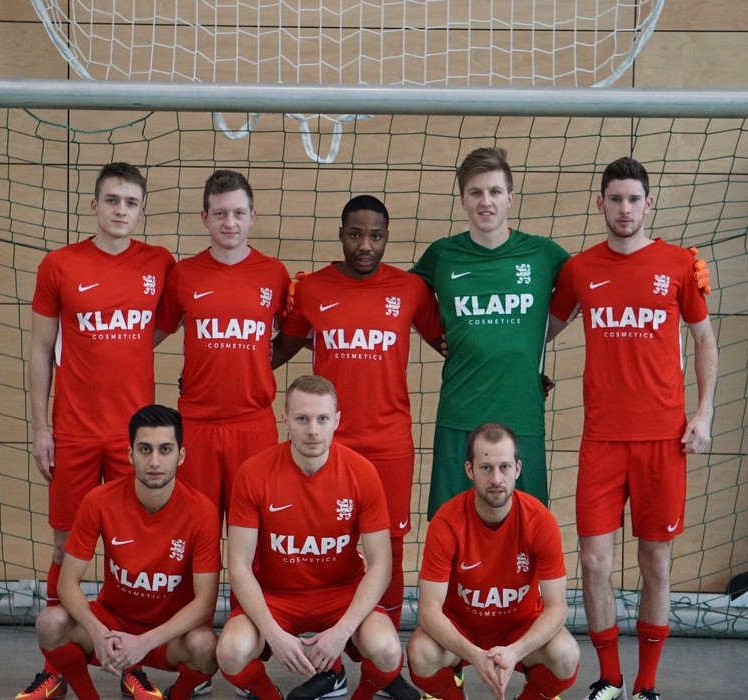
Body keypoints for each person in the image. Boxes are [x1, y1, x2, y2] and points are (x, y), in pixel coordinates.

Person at [548, 157, 718, 700]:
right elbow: (540, 331)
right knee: (593, 561)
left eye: (634, 199)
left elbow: (704, 339)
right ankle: (610, 679)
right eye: (615, 199)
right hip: (601, 440)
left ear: (649, 204)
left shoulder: (677, 263)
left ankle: (645, 685)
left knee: (656, 564)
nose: (625, 208)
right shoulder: (579, 269)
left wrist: (704, 411)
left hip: (663, 441)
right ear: (600, 204)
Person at [20, 162, 177, 700]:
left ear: (142, 210)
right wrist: (40, 428)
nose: (120, 210)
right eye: (112, 200)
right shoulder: (59, 265)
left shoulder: (159, 263)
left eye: (131, 202)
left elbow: (162, 325)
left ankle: (131, 663)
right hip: (75, 433)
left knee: (133, 555)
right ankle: (56, 666)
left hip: (136, 440)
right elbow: (41, 348)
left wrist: (125, 350)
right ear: (94, 205)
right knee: (66, 547)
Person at [271, 194, 444, 635]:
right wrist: (218, 367)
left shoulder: (411, 289)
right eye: (355, 235)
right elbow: (277, 351)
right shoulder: (312, 289)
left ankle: (382, 660)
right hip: (328, 444)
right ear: (341, 235)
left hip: (390, 444)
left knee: (390, 548)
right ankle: (330, 651)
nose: (365, 245)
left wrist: (525, 373)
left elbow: (453, 344)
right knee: (328, 545)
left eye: (376, 236)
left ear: (387, 238)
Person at [216, 375, 408, 700]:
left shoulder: (362, 473)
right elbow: (238, 566)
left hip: (341, 592)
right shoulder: (253, 472)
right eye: (302, 419)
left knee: (389, 651)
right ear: (285, 421)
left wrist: (342, 631)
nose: (313, 430)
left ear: (337, 421)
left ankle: (356, 692)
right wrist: (273, 634)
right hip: (276, 595)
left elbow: (381, 565)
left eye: (322, 419)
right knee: (230, 652)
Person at [411, 147, 569, 519]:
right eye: (476, 192)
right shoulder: (442, 255)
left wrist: (532, 343)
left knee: (527, 530)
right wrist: (438, 336)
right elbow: (403, 296)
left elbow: (592, 284)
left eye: (495, 192)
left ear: (510, 197)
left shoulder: (543, 254)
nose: (486, 201)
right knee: (451, 530)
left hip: (522, 416)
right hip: (459, 417)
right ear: (463, 200)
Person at [30, 404, 221, 700]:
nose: (154, 461)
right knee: (49, 623)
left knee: (206, 647)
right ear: (130, 454)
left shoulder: (202, 511)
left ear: (181, 456)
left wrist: (145, 642)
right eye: (145, 449)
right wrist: (97, 632)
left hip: (166, 635)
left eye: (165, 449)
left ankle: (178, 696)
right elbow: (67, 584)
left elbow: (205, 603)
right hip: (112, 624)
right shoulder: (99, 501)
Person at [407, 422, 579, 700]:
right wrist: (473, 654)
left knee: (566, 653)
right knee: (420, 652)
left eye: (505, 467)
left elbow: (557, 607)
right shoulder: (446, 521)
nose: (496, 478)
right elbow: (428, 610)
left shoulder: (540, 521)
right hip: (461, 628)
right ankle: (452, 691)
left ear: (518, 469)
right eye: (486, 468)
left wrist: (516, 651)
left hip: (520, 628)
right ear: (470, 470)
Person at [163, 169, 290, 516]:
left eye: (238, 213)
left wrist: (266, 358)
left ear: (252, 216)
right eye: (219, 213)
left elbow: (299, 333)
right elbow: (149, 335)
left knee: (252, 531)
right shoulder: (183, 274)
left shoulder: (274, 273)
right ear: (205, 218)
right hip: (197, 425)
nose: (229, 222)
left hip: (254, 425)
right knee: (195, 528)